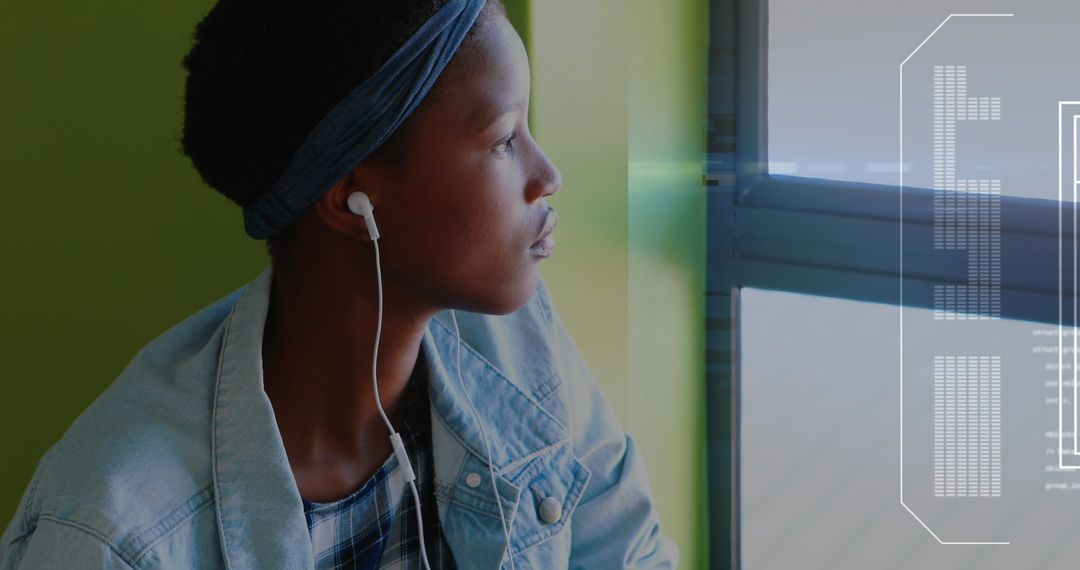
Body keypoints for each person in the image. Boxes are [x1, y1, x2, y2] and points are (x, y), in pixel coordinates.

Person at [0, 0, 678, 568]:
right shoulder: (115, 533)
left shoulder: (512, 338)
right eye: (503, 140)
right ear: (353, 197)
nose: (547, 174)